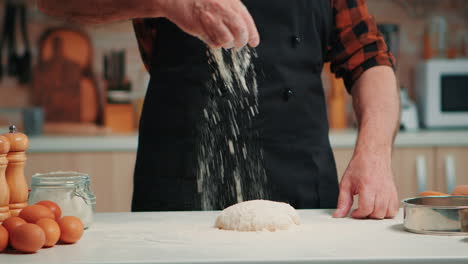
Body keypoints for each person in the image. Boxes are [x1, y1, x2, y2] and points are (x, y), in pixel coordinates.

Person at [37, 0, 400, 219]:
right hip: (178, 190)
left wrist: (375, 155)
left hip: (302, 192)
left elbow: (369, 59)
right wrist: (172, 2)